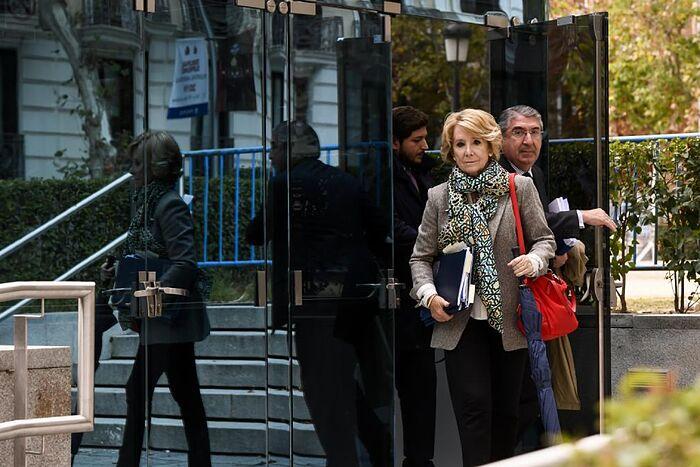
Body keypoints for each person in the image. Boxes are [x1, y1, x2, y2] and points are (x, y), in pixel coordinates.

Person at [409, 108, 555, 466]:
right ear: (451, 150)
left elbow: (545, 240)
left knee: (506, 413)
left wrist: (534, 261)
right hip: (460, 321)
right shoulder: (439, 197)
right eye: (460, 144)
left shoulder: (518, 187)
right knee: (473, 409)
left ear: (491, 147)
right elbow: (420, 258)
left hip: (510, 318)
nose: (469, 151)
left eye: (476, 142)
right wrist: (428, 295)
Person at [247, 121, 391, 466]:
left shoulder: (284, 183)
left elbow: (257, 232)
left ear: (288, 149)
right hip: (353, 298)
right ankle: (381, 449)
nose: (271, 155)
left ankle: (344, 459)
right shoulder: (345, 180)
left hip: (312, 300)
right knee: (344, 383)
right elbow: (378, 228)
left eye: (275, 147)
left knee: (322, 390)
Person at [116, 130, 211, 467]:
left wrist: (151, 295)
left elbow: (185, 262)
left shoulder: (167, 204)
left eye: (137, 165)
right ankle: (201, 462)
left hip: (167, 313)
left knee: (138, 391)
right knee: (186, 393)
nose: (131, 171)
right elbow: (149, 254)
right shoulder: (148, 204)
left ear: (155, 168)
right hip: (161, 312)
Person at [392, 106, 437, 467]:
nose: (425, 145)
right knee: (414, 385)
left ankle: (420, 458)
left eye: (425, 138)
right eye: (416, 139)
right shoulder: (388, 179)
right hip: (401, 293)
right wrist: (431, 242)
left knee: (422, 389)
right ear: (396, 142)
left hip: (421, 295)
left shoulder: (423, 175)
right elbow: (394, 229)